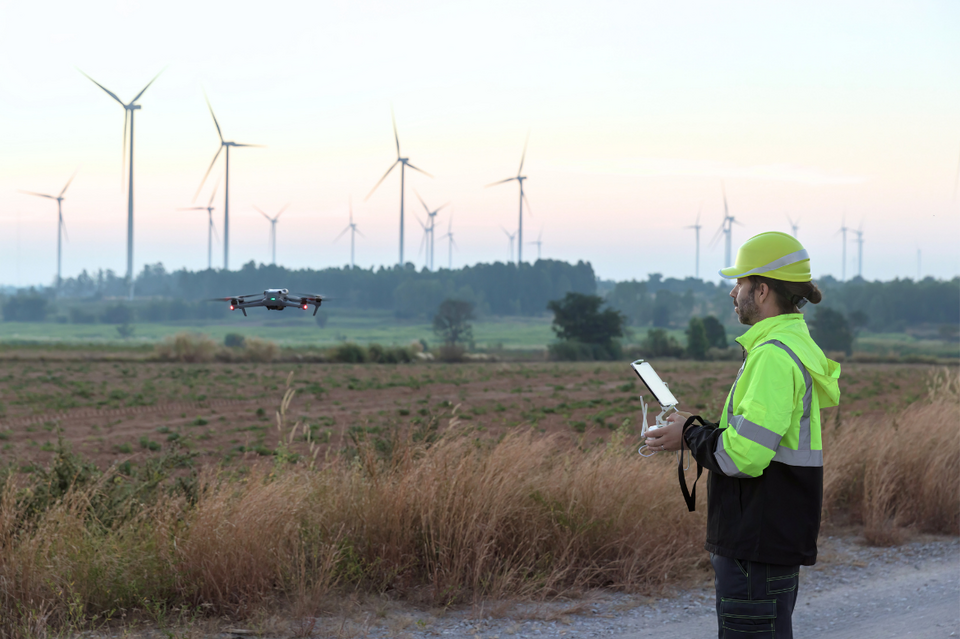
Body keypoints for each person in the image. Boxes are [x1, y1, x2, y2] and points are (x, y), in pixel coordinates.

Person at [644, 231, 841, 639]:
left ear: (763, 290)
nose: (733, 293)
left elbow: (743, 457)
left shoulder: (772, 356)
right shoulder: (791, 345)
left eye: (740, 283)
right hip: (770, 537)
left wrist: (692, 435)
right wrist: (691, 432)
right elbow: (757, 439)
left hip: (757, 541)